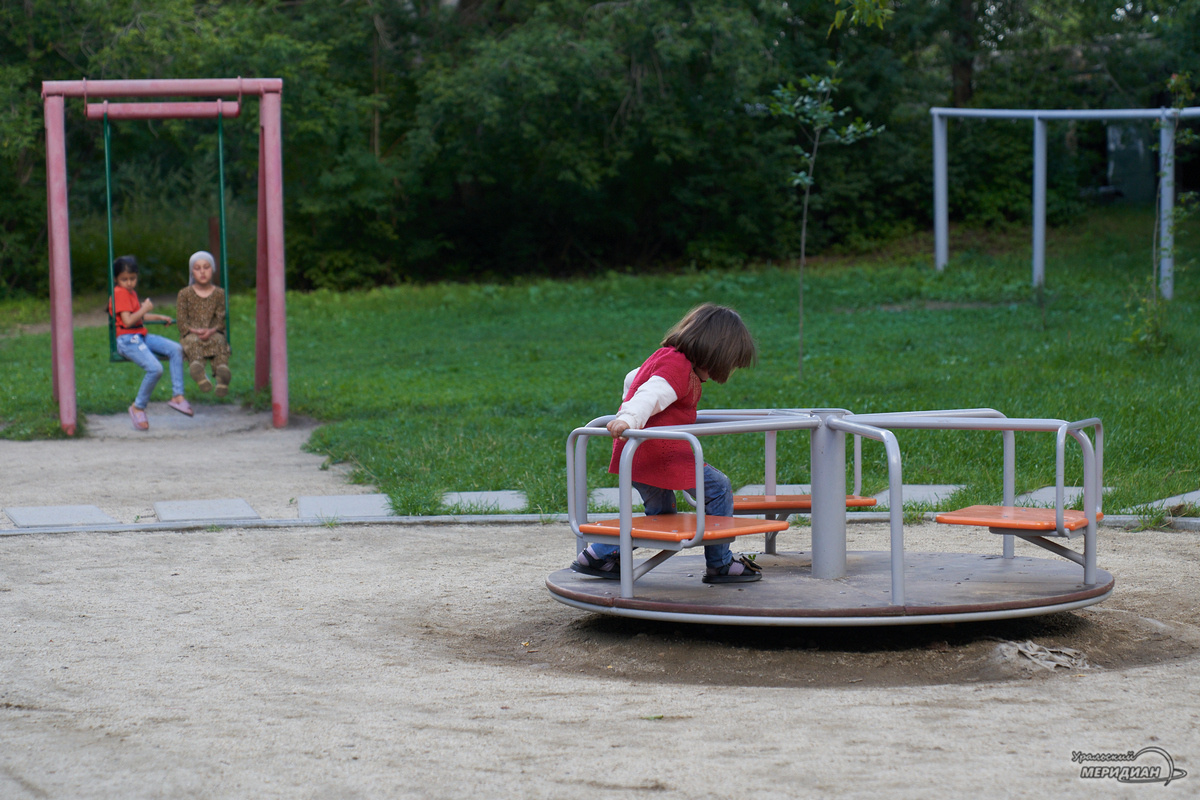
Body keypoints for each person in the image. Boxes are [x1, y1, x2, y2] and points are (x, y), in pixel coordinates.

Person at [573, 303, 761, 584]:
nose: (729, 370)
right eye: (730, 362)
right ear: (715, 352)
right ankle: (720, 564)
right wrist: (629, 418)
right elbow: (651, 393)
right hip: (662, 454)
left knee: (660, 518)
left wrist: (629, 415)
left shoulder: (668, 358)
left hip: (638, 453)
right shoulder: (677, 367)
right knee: (718, 488)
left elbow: (634, 379)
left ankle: (597, 555)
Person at [109, 255, 192, 430]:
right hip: (128, 339)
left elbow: (140, 315)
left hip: (140, 336)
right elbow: (128, 321)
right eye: (124, 279)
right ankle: (138, 407)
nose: (129, 283)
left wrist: (158, 316)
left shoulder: (130, 293)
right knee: (155, 369)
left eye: (133, 278)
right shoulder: (119, 293)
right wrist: (145, 308)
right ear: (116, 279)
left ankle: (178, 396)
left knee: (176, 349)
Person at [176, 250, 232, 397]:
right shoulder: (185, 293)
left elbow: (221, 318)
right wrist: (194, 331)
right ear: (191, 272)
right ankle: (199, 372)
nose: (202, 272)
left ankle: (221, 375)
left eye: (206, 267)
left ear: (212, 270)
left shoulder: (219, 293)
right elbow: (182, 320)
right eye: (197, 268)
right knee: (193, 344)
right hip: (192, 334)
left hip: (213, 333)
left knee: (219, 343)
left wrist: (212, 330)